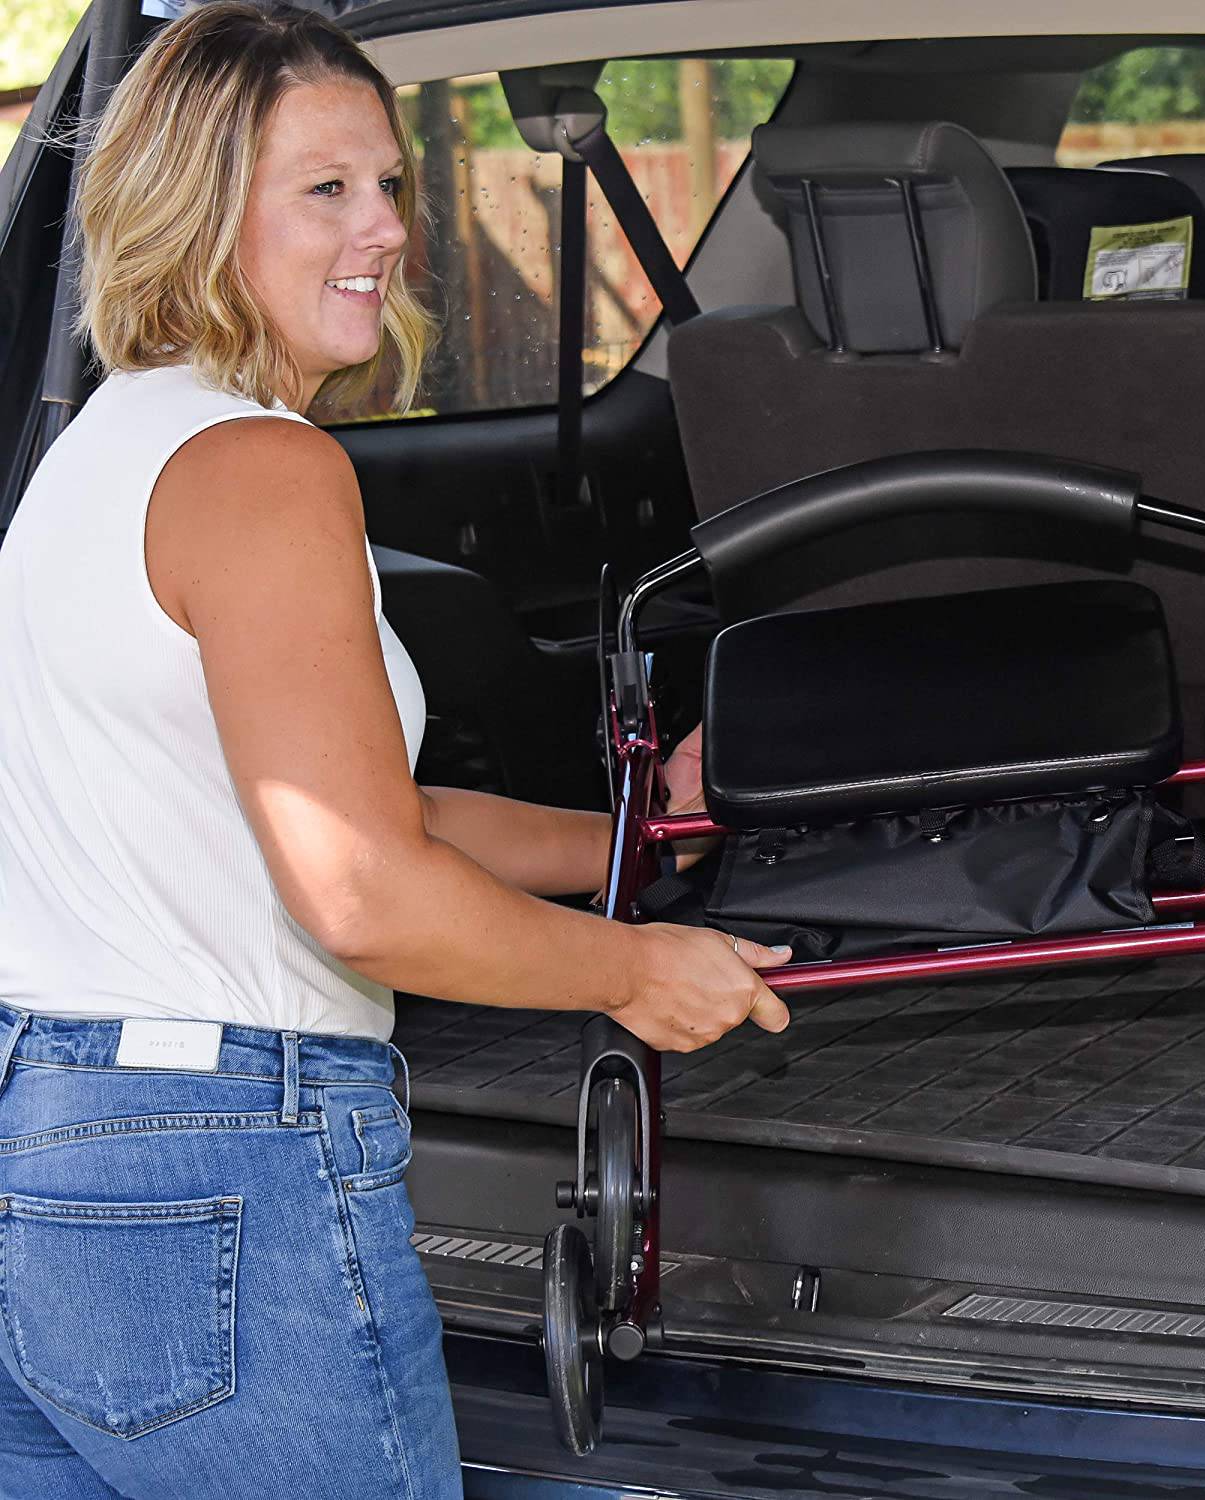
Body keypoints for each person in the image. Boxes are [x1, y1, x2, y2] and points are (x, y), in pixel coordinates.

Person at [0, 4, 791, 1495]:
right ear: (194, 209)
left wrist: (642, 831)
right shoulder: (264, 469)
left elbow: (365, 808)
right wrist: (632, 970)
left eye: (391, 185)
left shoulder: (102, 452)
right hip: (224, 1159)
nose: (384, 229)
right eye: (324, 190)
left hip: (59, 1153)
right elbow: (361, 890)